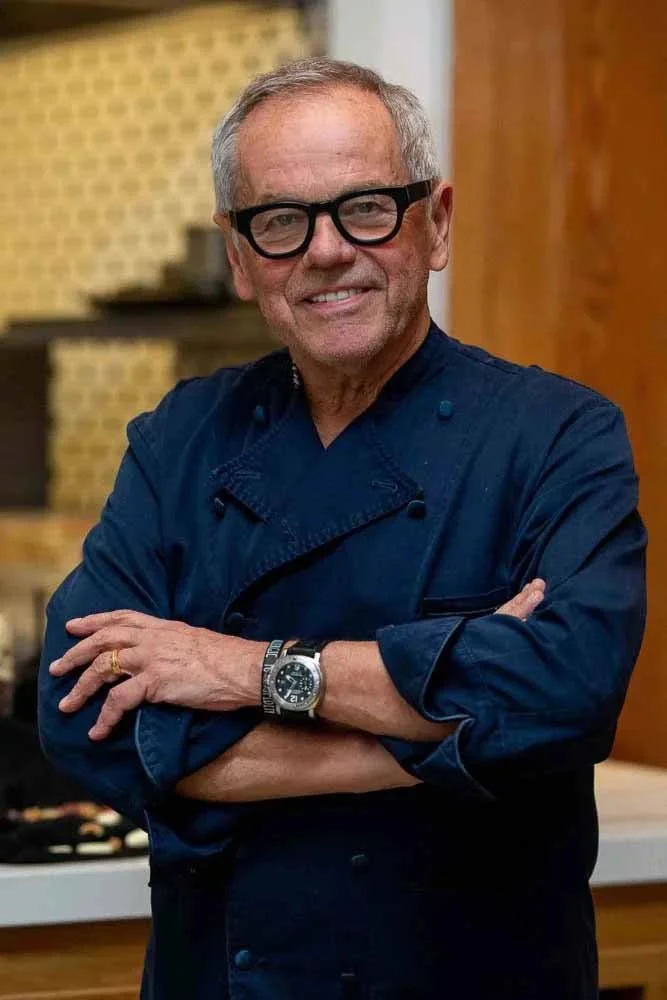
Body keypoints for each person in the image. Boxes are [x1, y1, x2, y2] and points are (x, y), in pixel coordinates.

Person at [38, 57, 646, 1000]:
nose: (325, 251)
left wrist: (240, 670)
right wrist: (442, 743)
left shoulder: (556, 435)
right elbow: (81, 717)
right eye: (281, 221)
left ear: (435, 223)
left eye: (365, 208)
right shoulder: (180, 438)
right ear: (239, 256)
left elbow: (563, 695)